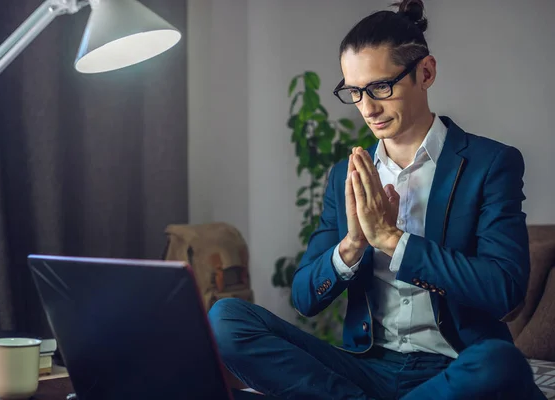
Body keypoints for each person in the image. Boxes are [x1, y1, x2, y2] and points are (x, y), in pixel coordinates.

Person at [208, 1, 546, 399]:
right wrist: (353, 245)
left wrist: (391, 239)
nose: (367, 108)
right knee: (225, 319)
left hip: (455, 365)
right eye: (354, 91)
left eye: (381, 87)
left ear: (426, 72)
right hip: (366, 368)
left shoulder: (490, 164)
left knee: (500, 363)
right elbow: (304, 297)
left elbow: (504, 290)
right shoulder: (345, 176)